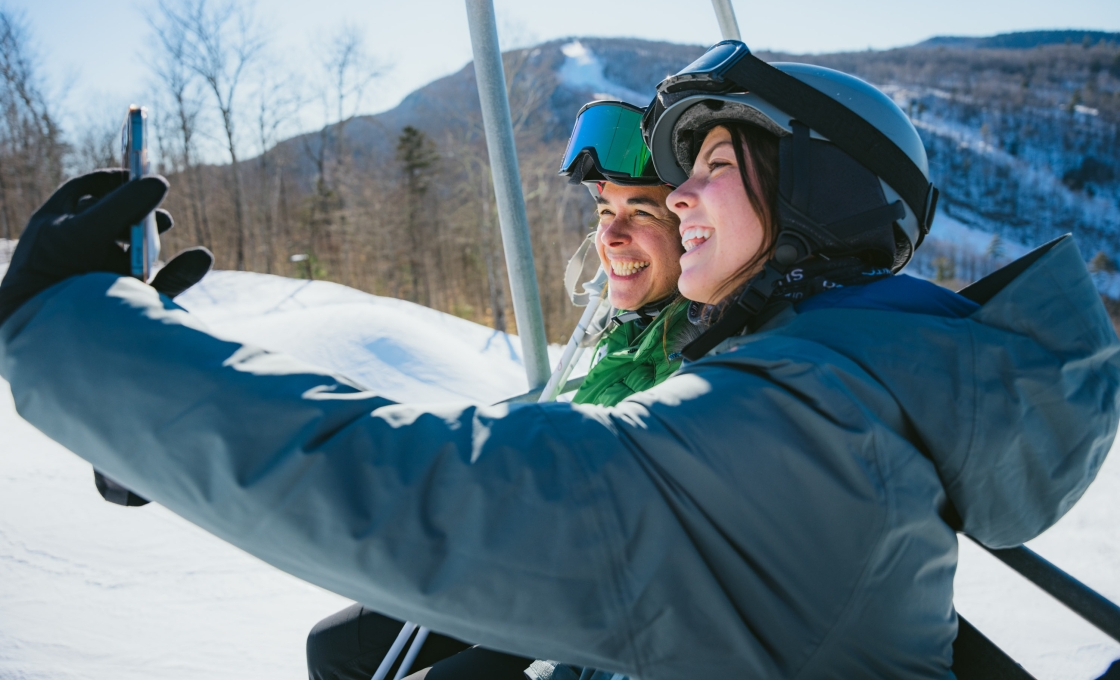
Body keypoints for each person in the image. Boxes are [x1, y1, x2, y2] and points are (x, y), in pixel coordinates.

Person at [1, 42, 1117, 680]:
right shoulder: (832, 393)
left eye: (710, 164)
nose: (670, 207)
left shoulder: (803, 430)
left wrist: (79, 335)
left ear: (820, 194)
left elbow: (440, 492)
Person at [305, 100, 690, 680]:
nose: (610, 234)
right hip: (539, 559)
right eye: (604, 209)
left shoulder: (698, 350)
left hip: (597, 595)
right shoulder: (625, 330)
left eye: (641, 212)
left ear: (695, 228)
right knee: (340, 646)